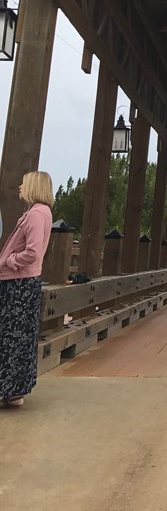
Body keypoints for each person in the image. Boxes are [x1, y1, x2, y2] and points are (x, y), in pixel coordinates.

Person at [0, 171, 54, 408]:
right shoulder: (44, 213)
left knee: (8, 335)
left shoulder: (34, 215)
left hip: (17, 282)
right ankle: (15, 391)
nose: (20, 187)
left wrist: (8, 260)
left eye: (24, 183)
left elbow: (32, 252)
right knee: (21, 336)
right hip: (27, 282)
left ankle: (6, 386)